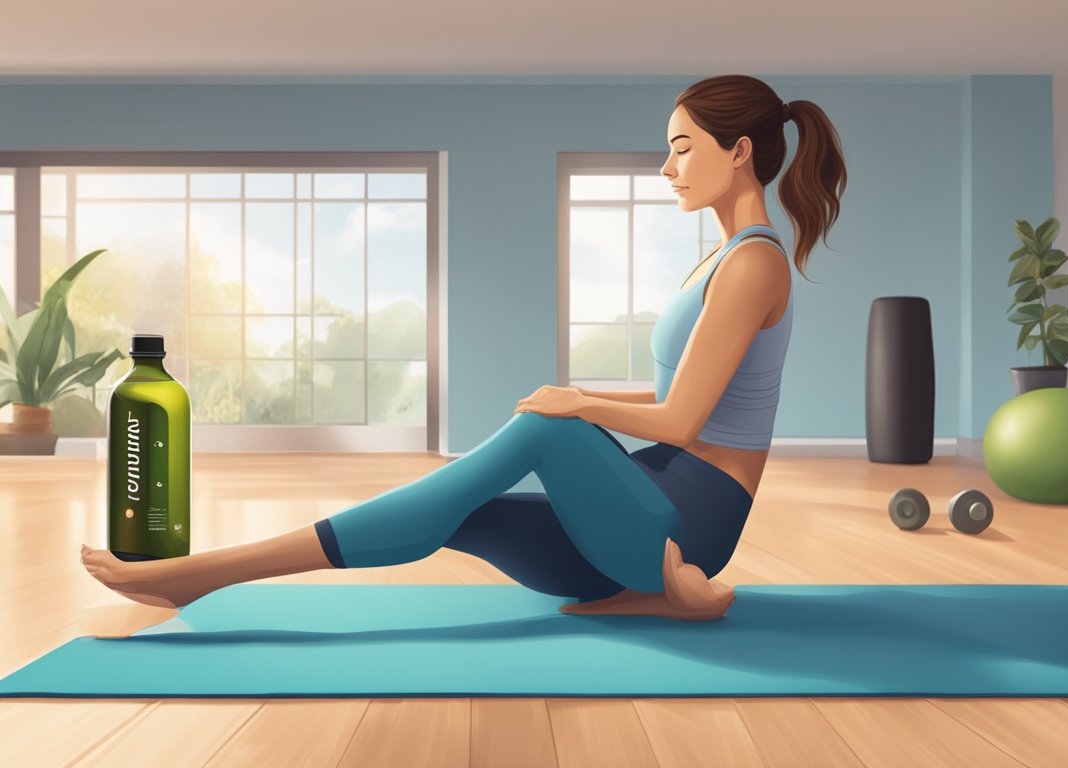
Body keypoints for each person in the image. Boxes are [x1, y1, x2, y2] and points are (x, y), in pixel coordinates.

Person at [81, 74, 847, 621]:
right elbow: (678, 390)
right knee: (462, 511)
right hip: (640, 514)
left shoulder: (753, 261)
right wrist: (579, 394)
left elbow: (684, 422)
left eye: (681, 149)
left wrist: (576, 404)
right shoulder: (716, 259)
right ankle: (645, 593)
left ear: (739, 150)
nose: (666, 167)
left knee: (551, 425)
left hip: (691, 523)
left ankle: (205, 576)